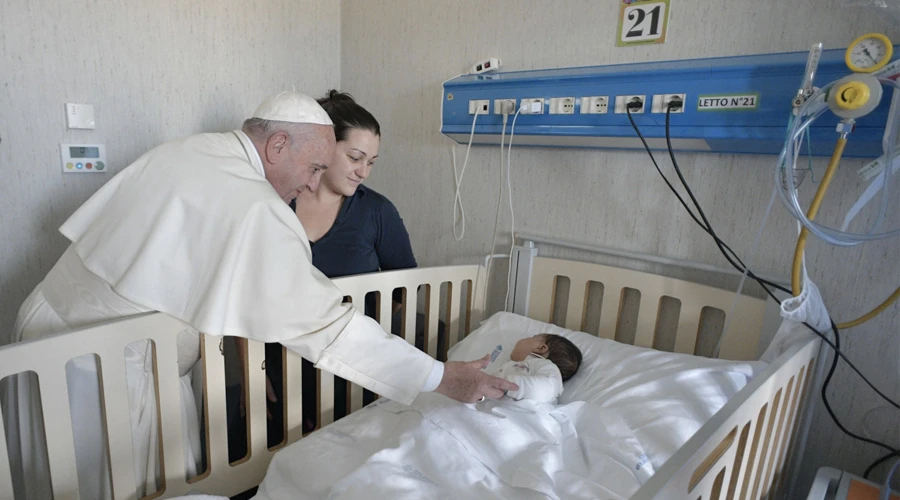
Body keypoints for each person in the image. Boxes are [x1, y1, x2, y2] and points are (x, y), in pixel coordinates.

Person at [1, 90, 517, 500]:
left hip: (50, 332)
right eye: (315, 167)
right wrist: (441, 376)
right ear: (276, 146)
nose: (311, 183)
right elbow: (327, 326)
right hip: (99, 370)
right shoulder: (254, 206)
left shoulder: (193, 149)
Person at [491, 334, 582, 404]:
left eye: (533, 337)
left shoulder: (546, 366)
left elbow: (545, 389)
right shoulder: (510, 365)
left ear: (541, 348)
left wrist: (504, 385)